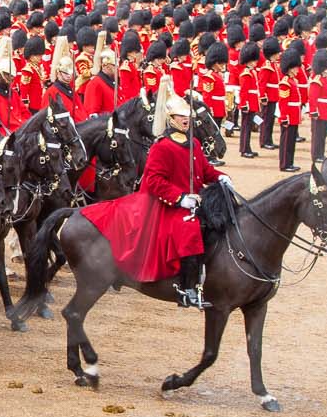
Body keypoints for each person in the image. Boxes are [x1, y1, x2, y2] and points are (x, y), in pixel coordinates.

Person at [79, 81, 227, 309]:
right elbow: (155, 181)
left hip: (192, 199)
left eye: (187, 116)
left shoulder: (194, 143)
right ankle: (186, 289)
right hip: (166, 204)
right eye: (181, 117)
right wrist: (180, 198)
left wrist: (219, 177)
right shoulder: (161, 146)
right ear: (171, 119)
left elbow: (205, 170)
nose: (186, 120)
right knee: (188, 230)